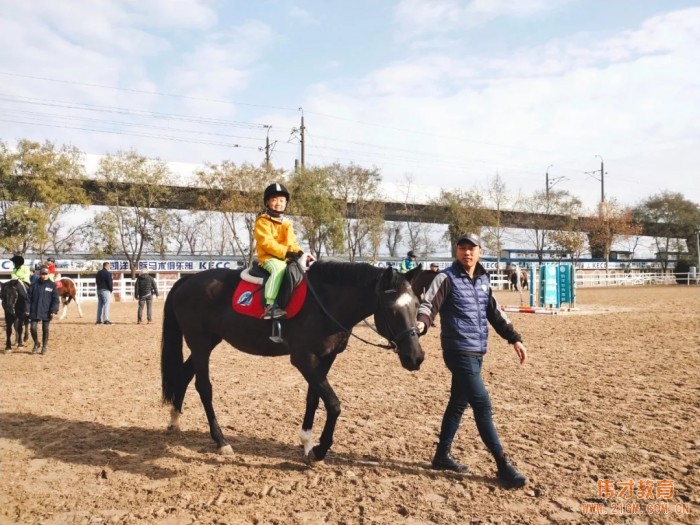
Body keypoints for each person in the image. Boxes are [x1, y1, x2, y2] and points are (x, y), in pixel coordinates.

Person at [415, 233, 528, 489]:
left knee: (458, 403)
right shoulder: (446, 277)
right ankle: (502, 465)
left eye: (471, 248)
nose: (467, 253)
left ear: (480, 251)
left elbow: (495, 314)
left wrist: (515, 339)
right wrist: (422, 323)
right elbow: (429, 304)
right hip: (457, 350)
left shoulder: (484, 280)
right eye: (462, 248)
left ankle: (442, 455)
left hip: (477, 351)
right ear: (457, 251)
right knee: (482, 404)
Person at [254, 182, 303, 319]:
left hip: (285, 257)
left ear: (286, 203)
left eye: (282, 200)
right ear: (267, 202)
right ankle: (270, 306)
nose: (278, 203)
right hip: (268, 259)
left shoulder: (287, 223)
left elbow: (292, 242)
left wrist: (299, 252)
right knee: (279, 268)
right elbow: (267, 243)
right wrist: (286, 252)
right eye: (274, 200)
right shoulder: (262, 221)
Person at [27, 267, 60, 354]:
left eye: (46, 274)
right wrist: (27, 309)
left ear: (48, 274)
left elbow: (55, 299)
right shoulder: (34, 285)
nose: (44, 276)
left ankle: (44, 346)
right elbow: (28, 299)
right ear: (40, 274)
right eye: (43, 274)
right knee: (32, 328)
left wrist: (53, 310)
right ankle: (36, 343)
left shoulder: (52, 285)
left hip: (46, 311)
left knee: (45, 329)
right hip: (34, 310)